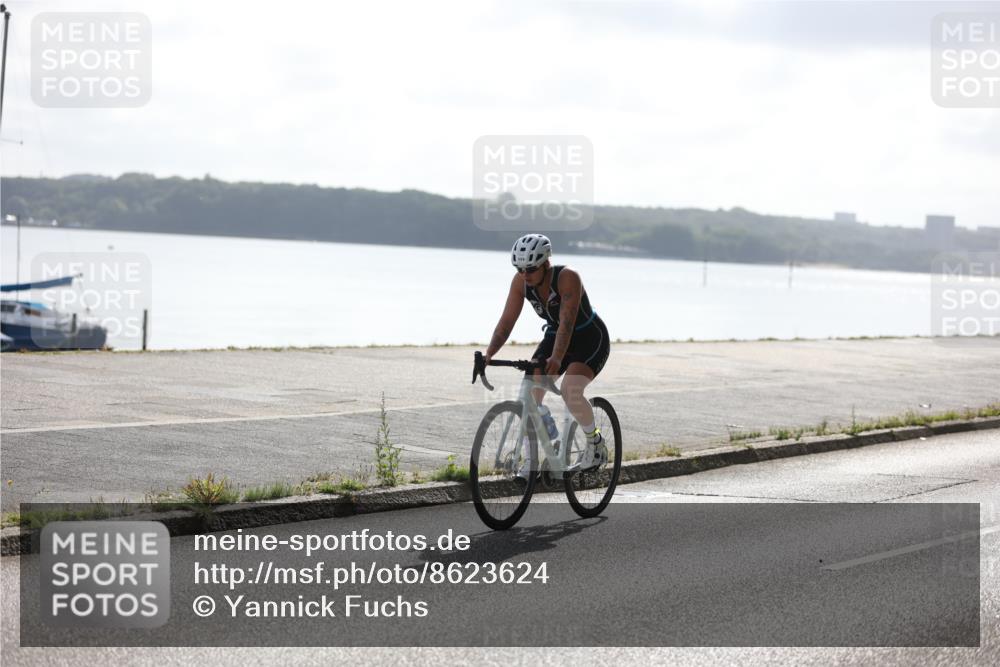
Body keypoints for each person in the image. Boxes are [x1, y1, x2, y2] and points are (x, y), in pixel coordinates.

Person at [484, 233, 611, 469]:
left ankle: (596, 444)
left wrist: (558, 357)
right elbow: (506, 323)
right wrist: (488, 354)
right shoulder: (520, 282)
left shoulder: (568, 277)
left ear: (546, 263)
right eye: (519, 269)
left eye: (530, 269)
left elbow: (567, 322)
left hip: (589, 338)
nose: (525, 275)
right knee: (529, 392)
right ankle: (532, 461)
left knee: (570, 389)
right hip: (554, 336)